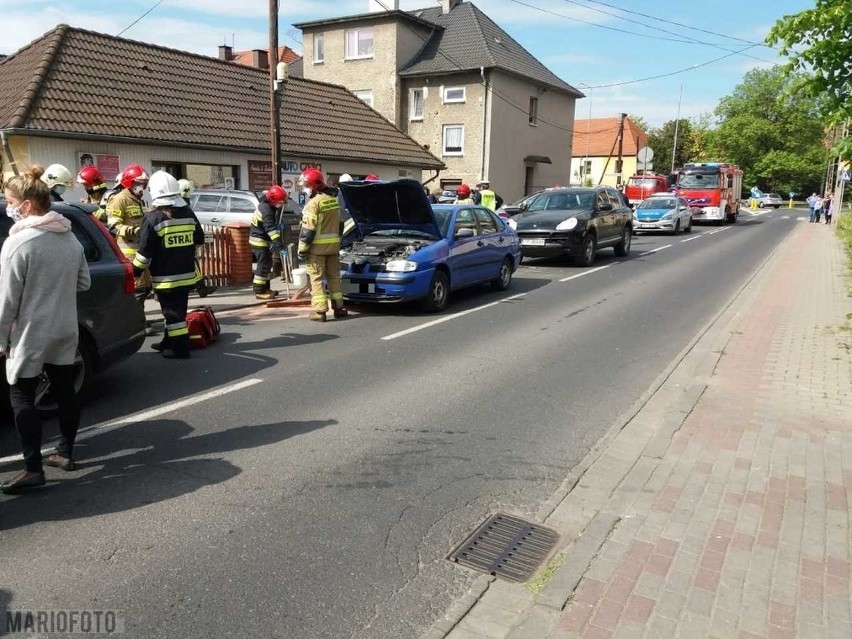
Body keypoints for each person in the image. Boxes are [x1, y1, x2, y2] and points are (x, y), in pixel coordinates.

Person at [0, 166, 91, 494]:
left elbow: (6, 303)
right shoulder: (70, 238)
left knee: (21, 393)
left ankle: (32, 468)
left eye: (10, 200)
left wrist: (0, 341)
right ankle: (65, 453)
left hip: (30, 333)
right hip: (65, 328)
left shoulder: (18, 245)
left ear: (25, 205)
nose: (9, 206)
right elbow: (84, 282)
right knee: (64, 388)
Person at [132, 171, 205, 359]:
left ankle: (181, 348)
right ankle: (167, 342)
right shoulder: (187, 212)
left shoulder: (152, 219)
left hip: (165, 278)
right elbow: (199, 238)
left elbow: (144, 251)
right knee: (176, 312)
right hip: (186, 274)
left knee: (173, 316)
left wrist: (135, 271)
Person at [298, 168, 347, 322]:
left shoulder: (313, 204)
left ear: (312, 185)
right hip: (333, 249)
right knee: (334, 278)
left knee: (317, 279)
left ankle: (320, 311)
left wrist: (301, 250)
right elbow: (340, 225)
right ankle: (339, 308)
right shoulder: (332, 200)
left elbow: (307, 231)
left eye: (306, 185)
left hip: (316, 251)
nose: (305, 189)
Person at [107, 164, 150, 291]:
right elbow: (113, 227)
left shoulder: (139, 200)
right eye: (138, 182)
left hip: (142, 252)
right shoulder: (120, 199)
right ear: (129, 182)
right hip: (128, 254)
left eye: (143, 183)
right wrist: (135, 230)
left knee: (145, 287)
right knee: (137, 289)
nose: (141, 186)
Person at [250, 185, 287, 300]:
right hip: (259, 241)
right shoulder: (266, 209)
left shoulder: (268, 206)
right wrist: (279, 244)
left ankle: (266, 288)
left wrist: (277, 226)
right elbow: (270, 229)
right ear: (273, 200)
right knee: (263, 265)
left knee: (267, 265)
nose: (282, 203)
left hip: (262, 239)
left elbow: (269, 225)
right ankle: (259, 291)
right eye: (280, 201)